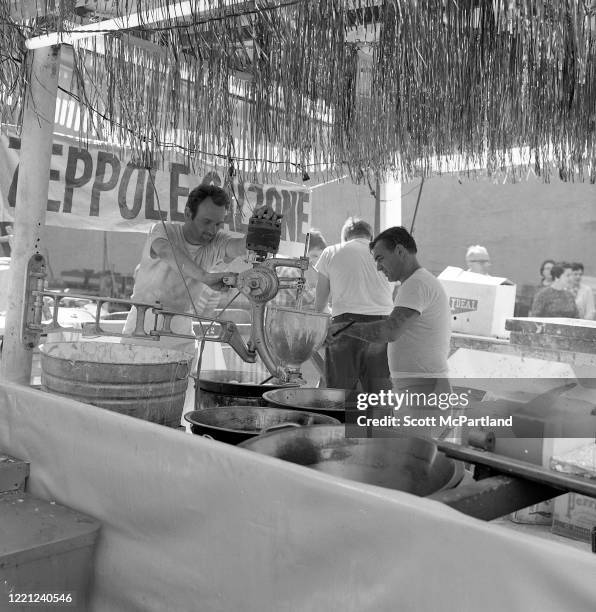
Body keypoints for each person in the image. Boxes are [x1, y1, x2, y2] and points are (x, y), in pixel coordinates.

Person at [123, 184, 279, 354]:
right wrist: (205, 277)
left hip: (182, 331)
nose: (212, 230)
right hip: (141, 328)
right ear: (188, 213)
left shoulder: (217, 242)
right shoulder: (163, 230)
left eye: (218, 224)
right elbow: (166, 251)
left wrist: (260, 225)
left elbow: (242, 246)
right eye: (206, 222)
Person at [325, 226, 451, 397]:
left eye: (380, 258)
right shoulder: (415, 283)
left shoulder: (417, 284)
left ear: (399, 251)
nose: (378, 267)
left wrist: (344, 328)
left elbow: (389, 331)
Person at [314, 217, 394, 393]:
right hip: (382, 326)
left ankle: (340, 420)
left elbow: (319, 305)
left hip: (344, 325)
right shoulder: (386, 256)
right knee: (379, 394)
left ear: (345, 237)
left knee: (340, 393)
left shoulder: (331, 252)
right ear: (370, 237)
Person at [274, 229, 327, 310]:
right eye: (314, 256)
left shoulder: (280, 258)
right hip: (282, 319)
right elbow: (312, 299)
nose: (313, 261)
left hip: (273, 317)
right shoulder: (291, 269)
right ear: (304, 250)